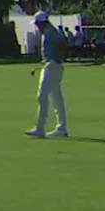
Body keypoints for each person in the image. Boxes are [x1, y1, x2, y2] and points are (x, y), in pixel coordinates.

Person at [26, 11, 69, 139]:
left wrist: (55, 59)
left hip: (52, 66)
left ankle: (40, 128)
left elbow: (63, 45)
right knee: (56, 98)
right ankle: (61, 128)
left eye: (37, 24)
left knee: (42, 96)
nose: (37, 26)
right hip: (52, 65)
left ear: (42, 23)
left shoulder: (51, 33)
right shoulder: (50, 32)